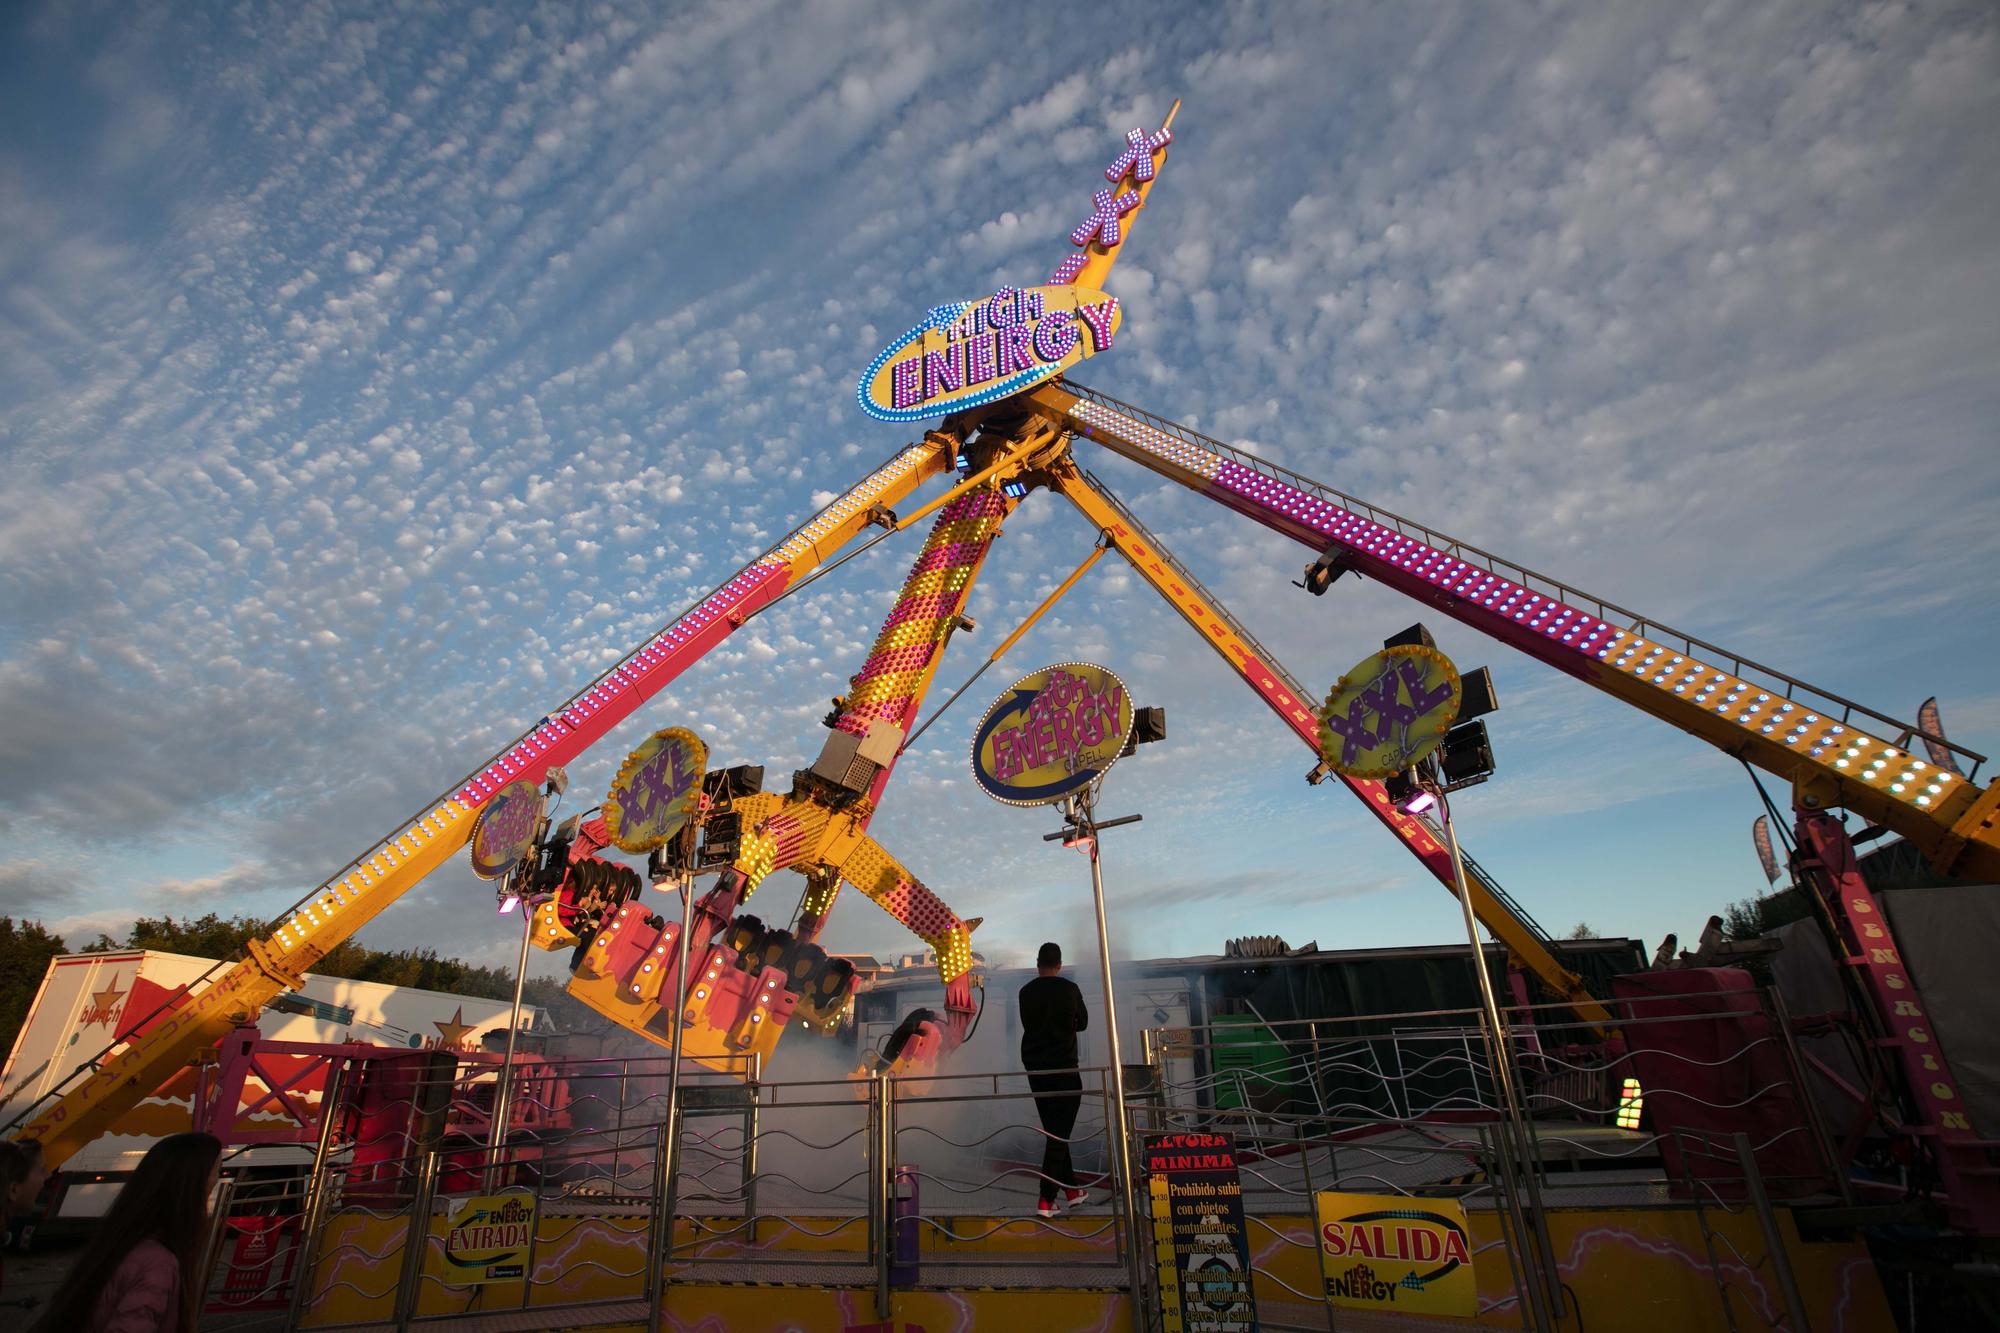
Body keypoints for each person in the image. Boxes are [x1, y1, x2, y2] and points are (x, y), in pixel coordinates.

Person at [31, 1131, 221, 1333]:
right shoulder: (158, 1263)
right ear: (195, 1182)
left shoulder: (121, 1240)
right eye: (217, 1170)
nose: (217, 1179)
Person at [1019, 941, 1090, 1218]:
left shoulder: (1025, 992)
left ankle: (1072, 1190)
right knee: (1059, 1133)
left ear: (1038, 964)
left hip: (1035, 1070)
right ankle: (1046, 1199)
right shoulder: (1070, 989)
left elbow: (1028, 1024)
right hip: (1064, 1068)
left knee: (1055, 1131)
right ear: (1060, 965)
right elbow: (1083, 1023)